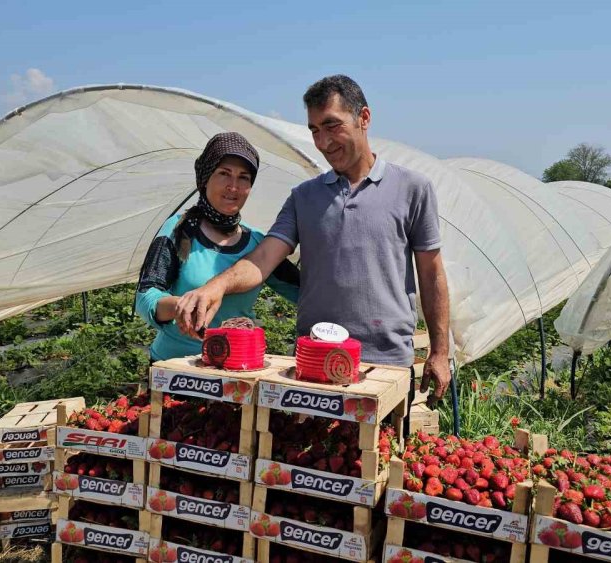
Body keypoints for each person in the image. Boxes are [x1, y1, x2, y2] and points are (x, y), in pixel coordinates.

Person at [175, 75, 451, 404]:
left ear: (364, 118)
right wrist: (215, 287)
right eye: (314, 130)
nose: (323, 141)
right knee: (314, 453)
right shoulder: (304, 197)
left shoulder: (412, 189)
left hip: (386, 364)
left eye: (332, 125)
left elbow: (431, 274)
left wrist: (439, 351)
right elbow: (263, 260)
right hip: (313, 364)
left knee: (381, 454)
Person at [135, 132, 299, 361]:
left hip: (235, 370)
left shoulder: (258, 245)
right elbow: (145, 295)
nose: (234, 186)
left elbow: (304, 292)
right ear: (205, 178)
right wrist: (182, 306)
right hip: (175, 370)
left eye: (244, 177)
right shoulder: (179, 230)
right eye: (224, 174)